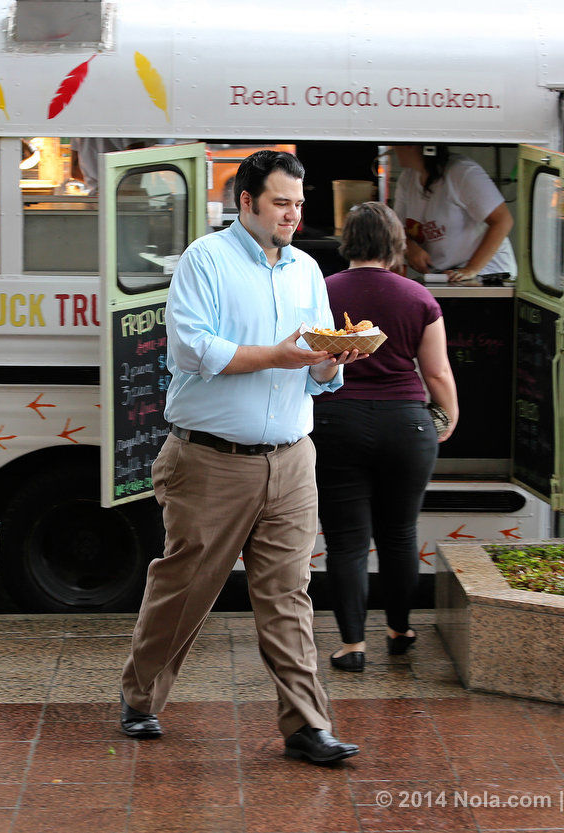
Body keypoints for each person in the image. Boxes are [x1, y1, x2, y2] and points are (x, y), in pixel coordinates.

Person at [119, 150, 363, 765]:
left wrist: (333, 360)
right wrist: (279, 356)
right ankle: (141, 697)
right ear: (246, 202)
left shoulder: (308, 268)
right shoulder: (206, 259)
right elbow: (193, 348)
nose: (293, 215)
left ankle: (307, 727)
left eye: (299, 204)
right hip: (210, 461)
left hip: (292, 458)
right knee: (186, 588)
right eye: (281, 203)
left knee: (288, 594)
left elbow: (311, 366)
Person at [312, 201, 458, 672]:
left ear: (348, 242)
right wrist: (448, 418)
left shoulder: (322, 292)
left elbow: (306, 359)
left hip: (337, 422)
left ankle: (353, 646)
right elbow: (435, 372)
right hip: (407, 425)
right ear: (396, 244)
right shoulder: (418, 298)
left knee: (347, 542)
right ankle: (400, 630)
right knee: (399, 535)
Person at [393, 144, 516, 284]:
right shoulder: (407, 179)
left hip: (489, 273)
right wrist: (411, 248)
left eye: (396, 143)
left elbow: (503, 220)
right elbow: (397, 229)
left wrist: (471, 269)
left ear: (412, 146)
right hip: (447, 275)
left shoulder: (462, 172)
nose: (393, 148)